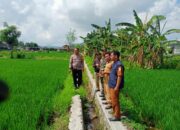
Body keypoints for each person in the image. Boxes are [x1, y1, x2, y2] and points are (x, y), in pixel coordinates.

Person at [108, 51, 124, 121]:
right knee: (113, 100)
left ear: (116, 56)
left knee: (115, 101)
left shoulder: (119, 65)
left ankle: (117, 116)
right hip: (112, 85)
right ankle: (115, 113)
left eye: (111, 55)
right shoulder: (114, 63)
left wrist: (117, 87)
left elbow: (119, 76)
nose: (110, 57)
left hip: (115, 86)